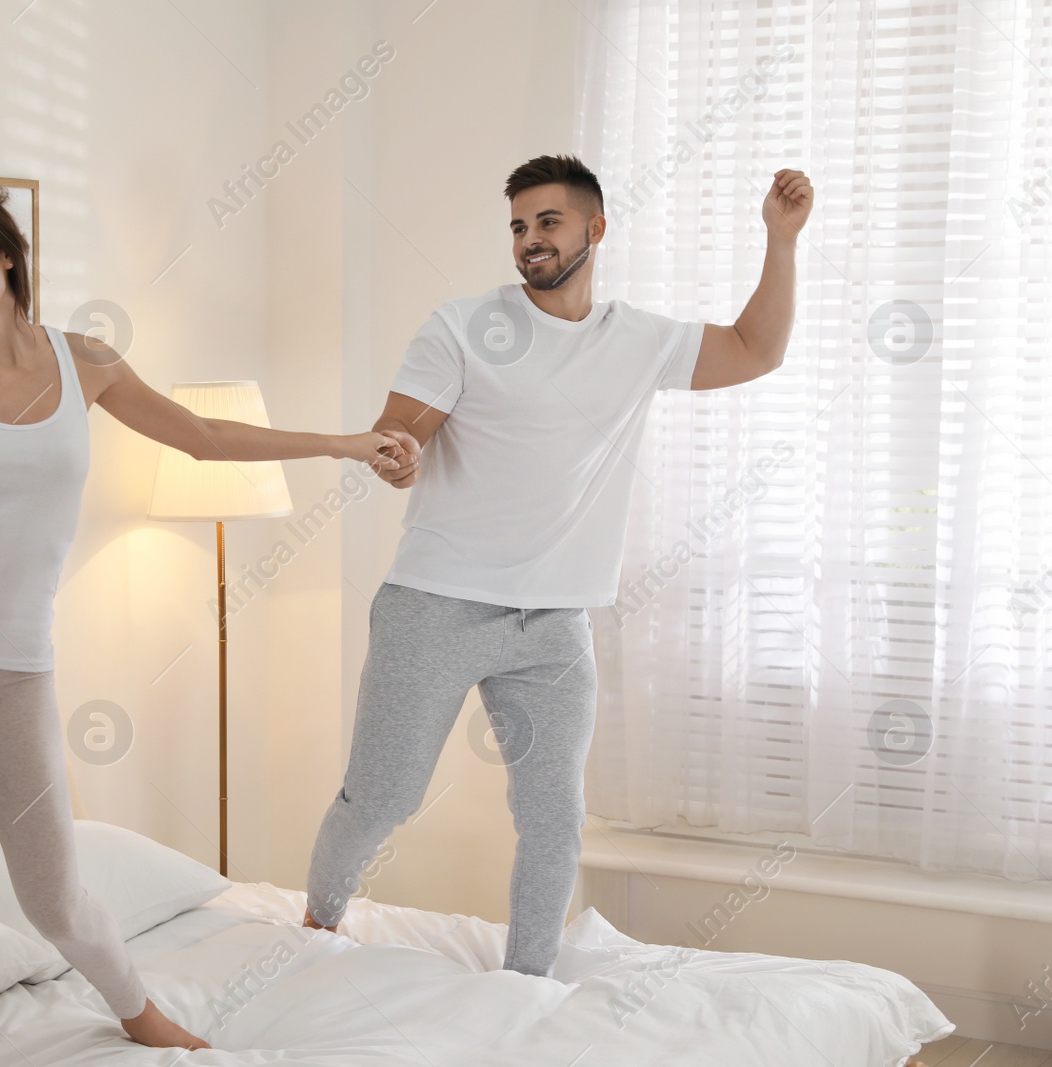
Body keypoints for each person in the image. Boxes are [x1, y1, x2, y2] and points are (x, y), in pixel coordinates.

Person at [0, 170, 412, 1063]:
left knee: (52, 889)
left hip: (13, 661)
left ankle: (138, 1011)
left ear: (4, 252)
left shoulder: (87, 363)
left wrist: (341, 442)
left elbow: (202, 436)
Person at [302, 154, 814, 980]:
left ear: (594, 228)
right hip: (437, 603)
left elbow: (757, 350)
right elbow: (403, 432)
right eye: (517, 226)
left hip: (556, 624)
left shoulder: (638, 340)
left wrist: (781, 241)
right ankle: (315, 922)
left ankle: (525, 985)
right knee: (383, 797)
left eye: (547, 222)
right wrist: (397, 456)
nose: (529, 240)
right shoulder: (463, 327)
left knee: (554, 819)